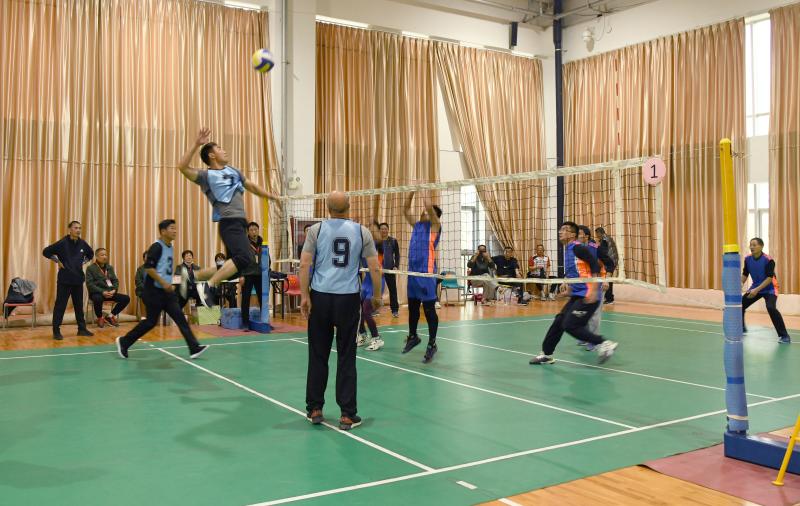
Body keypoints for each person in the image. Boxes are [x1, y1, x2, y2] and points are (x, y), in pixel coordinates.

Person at [299, 191, 382, 431]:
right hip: (348, 300)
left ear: (327, 208)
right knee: (346, 355)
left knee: (318, 354)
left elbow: (304, 264)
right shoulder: (361, 231)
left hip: (321, 298)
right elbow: (375, 268)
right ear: (349, 206)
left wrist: (305, 296)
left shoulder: (316, 230)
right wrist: (377, 296)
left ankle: (315, 409)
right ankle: (347, 414)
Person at [176, 127, 278, 293]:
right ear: (211, 155)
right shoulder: (206, 176)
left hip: (240, 223)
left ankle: (192, 276)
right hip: (229, 222)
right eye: (219, 148)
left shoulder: (233, 171)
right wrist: (196, 144)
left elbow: (251, 185)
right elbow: (182, 167)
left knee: (234, 270)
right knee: (245, 258)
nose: (224, 151)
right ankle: (208, 287)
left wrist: (271, 196)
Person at [115, 219, 208, 359]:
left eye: (175, 228)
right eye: (172, 228)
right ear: (163, 231)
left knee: (180, 318)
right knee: (150, 322)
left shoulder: (170, 247)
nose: (175, 231)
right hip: (153, 291)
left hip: (167, 292)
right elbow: (148, 268)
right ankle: (124, 341)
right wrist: (163, 282)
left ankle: (194, 347)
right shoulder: (156, 247)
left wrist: (168, 284)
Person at [529, 222, 619, 365]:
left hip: (588, 295)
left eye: (564, 230)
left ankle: (604, 343)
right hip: (578, 294)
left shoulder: (578, 248)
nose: (560, 232)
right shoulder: (568, 250)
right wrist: (569, 291)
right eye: (560, 229)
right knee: (559, 322)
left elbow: (595, 266)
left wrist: (593, 290)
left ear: (572, 235)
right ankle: (546, 355)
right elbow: (578, 274)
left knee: (570, 325)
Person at [401, 191, 442, 363]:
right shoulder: (417, 225)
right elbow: (405, 210)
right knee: (413, 307)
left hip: (426, 274)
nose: (423, 213)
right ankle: (413, 336)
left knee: (429, 310)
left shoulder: (435, 226)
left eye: (426, 212)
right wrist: (411, 192)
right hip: (413, 273)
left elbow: (429, 207)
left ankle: (432, 343)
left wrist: (422, 188)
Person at [42, 221, 94, 340]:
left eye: (80, 228)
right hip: (64, 280)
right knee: (60, 306)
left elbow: (90, 254)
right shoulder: (62, 243)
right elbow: (46, 251)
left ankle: (82, 329)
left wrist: (83, 262)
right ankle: (56, 331)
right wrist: (57, 261)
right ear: (69, 229)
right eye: (75, 228)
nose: (78, 230)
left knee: (79, 306)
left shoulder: (82, 243)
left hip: (78, 280)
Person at [742, 237, 791, 343]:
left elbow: (769, 278)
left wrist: (756, 290)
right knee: (741, 304)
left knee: (771, 307)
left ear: (761, 246)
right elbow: (745, 274)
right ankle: (742, 328)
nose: (751, 247)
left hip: (770, 288)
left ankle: (784, 336)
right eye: (750, 245)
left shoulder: (768, 260)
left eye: (754, 245)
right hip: (756, 287)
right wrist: (739, 284)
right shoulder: (747, 259)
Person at [85, 248, 130, 328]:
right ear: (96, 256)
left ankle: (110, 316)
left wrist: (114, 290)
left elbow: (115, 280)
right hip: (97, 293)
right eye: (102, 255)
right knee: (97, 298)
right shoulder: (90, 268)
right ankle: (100, 318)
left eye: (106, 255)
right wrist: (102, 292)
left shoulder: (109, 267)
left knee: (126, 298)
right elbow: (90, 284)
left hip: (110, 293)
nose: (105, 257)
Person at [240, 222, 265, 330]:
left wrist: (267, 271)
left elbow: (267, 258)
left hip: (260, 274)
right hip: (247, 274)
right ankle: (245, 323)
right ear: (248, 232)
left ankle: (265, 321)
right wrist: (241, 275)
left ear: (258, 230)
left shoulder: (263, 243)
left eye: (255, 229)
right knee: (245, 299)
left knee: (262, 298)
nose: (254, 232)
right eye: (251, 230)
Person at [378, 222, 401, 318]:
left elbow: (397, 255)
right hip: (378, 270)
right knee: (376, 290)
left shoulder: (393, 241)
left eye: (385, 228)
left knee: (393, 291)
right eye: (382, 229)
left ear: (388, 230)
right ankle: (374, 309)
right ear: (379, 230)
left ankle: (395, 310)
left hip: (389, 270)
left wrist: (396, 265)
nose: (383, 230)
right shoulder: (377, 241)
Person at [595, 227, 618, 304]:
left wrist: (595, 246)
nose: (596, 236)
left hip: (610, 262)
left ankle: (609, 299)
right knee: (607, 279)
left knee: (607, 280)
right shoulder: (607, 238)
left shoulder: (605, 240)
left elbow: (602, 251)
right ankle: (608, 298)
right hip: (611, 261)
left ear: (599, 233)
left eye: (597, 234)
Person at [134, 252, 148, 321]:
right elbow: (138, 282)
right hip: (143, 290)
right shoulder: (140, 269)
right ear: (144, 259)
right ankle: (145, 316)